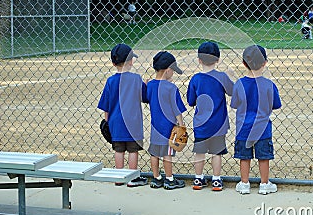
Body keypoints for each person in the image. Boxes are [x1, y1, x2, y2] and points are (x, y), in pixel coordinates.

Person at [231, 45, 282, 195]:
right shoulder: (269, 85)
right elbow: (276, 105)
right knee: (263, 157)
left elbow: (234, 104)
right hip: (263, 128)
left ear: (244, 63)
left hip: (243, 128)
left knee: (244, 157)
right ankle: (264, 184)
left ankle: (244, 183)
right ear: (265, 62)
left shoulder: (239, 84)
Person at [97, 43, 148, 187]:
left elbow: (106, 106)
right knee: (133, 150)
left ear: (113, 63)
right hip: (133, 124)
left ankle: (119, 177)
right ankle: (132, 178)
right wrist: (145, 84)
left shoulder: (110, 81)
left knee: (118, 150)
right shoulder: (136, 79)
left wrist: (107, 122)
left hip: (116, 123)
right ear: (131, 61)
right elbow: (145, 97)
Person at [186, 42, 234, 191]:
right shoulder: (222, 76)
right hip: (218, 124)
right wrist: (231, 77)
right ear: (217, 59)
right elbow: (232, 92)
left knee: (199, 152)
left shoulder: (196, 79)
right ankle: (216, 180)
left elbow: (190, 101)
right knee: (216, 152)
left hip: (201, 124)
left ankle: (198, 179)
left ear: (199, 60)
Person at [146, 51, 187, 190]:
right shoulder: (171, 88)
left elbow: (146, 98)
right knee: (167, 154)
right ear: (168, 70)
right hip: (168, 129)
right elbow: (177, 110)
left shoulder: (150, 85)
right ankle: (169, 179)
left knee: (154, 153)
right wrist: (181, 125)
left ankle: (156, 178)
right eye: (173, 71)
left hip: (155, 128)